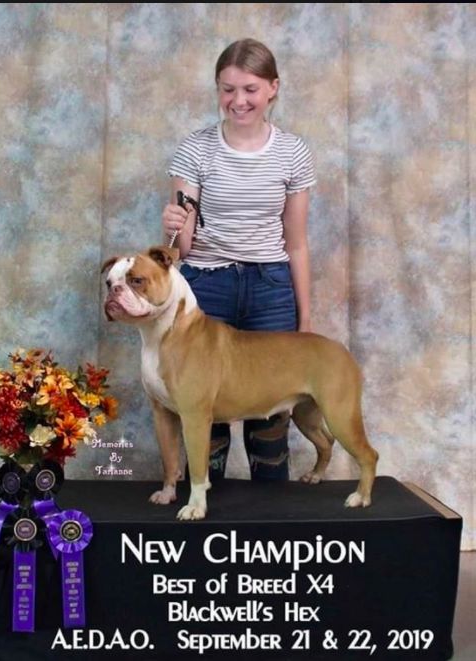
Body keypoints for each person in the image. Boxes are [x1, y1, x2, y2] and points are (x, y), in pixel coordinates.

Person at [162, 38, 316, 482]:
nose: (238, 100)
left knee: (271, 420)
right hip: (206, 286)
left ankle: (270, 513)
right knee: (203, 415)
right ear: (217, 88)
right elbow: (180, 249)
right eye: (227, 89)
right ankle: (204, 508)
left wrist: (305, 320)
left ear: (273, 88)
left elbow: (297, 244)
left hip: (271, 288)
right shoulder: (195, 149)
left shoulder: (293, 152)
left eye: (250, 89)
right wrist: (172, 223)